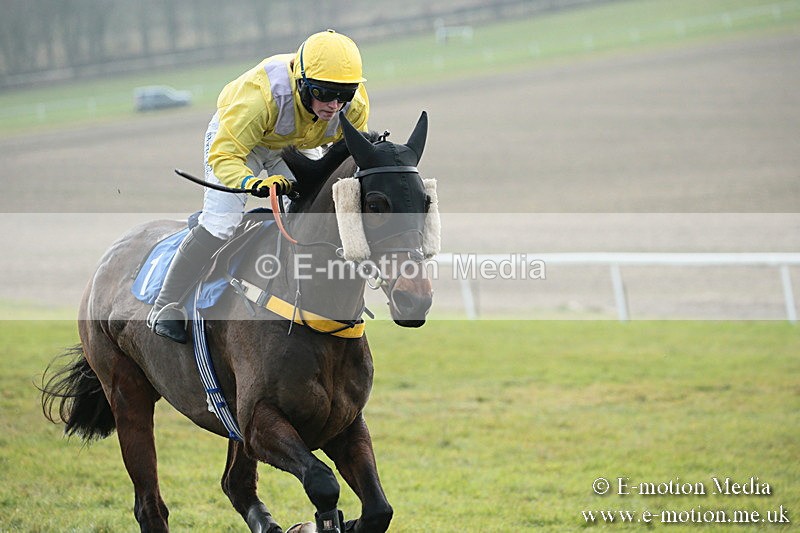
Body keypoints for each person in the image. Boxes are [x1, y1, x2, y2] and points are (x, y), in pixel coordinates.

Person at [148, 29, 370, 343]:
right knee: (222, 223)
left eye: (343, 94)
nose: (334, 105)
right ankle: (165, 304)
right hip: (240, 144)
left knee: (316, 208)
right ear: (301, 82)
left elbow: (345, 158)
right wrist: (253, 183)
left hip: (292, 142)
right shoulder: (259, 96)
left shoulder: (355, 106)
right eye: (323, 93)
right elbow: (225, 154)